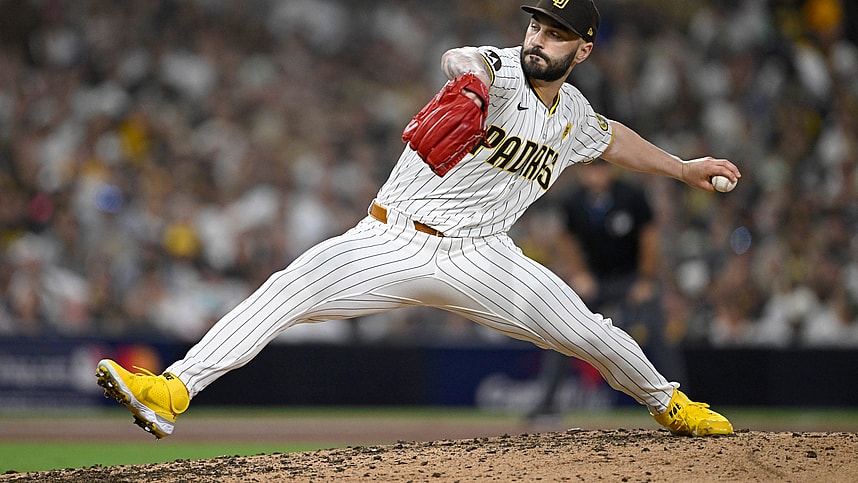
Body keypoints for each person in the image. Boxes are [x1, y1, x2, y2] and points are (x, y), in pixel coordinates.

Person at [96, 0, 740, 439]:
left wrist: (682, 169)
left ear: (584, 49)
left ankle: (669, 403)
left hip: (484, 256)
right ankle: (173, 390)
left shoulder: (570, 113)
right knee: (285, 289)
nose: (538, 40)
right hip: (393, 237)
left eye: (556, 34)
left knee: (590, 333)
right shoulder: (501, 70)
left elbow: (612, 139)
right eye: (537, 27)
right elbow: (463, 59)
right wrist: (476, 86)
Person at [527, 159, 684, 419]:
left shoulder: (631, 195)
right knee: (561, 330)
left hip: (630, 278)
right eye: (590, 168)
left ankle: (682, 400)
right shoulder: (573, 201)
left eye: (600, 168)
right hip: (595, 280)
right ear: (581, 172)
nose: (595, 174)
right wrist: (579, 274)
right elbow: (567, 240)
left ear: (611, 169)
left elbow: (649, 239)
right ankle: (547, 403)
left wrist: (645, 279)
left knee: (657, 335)